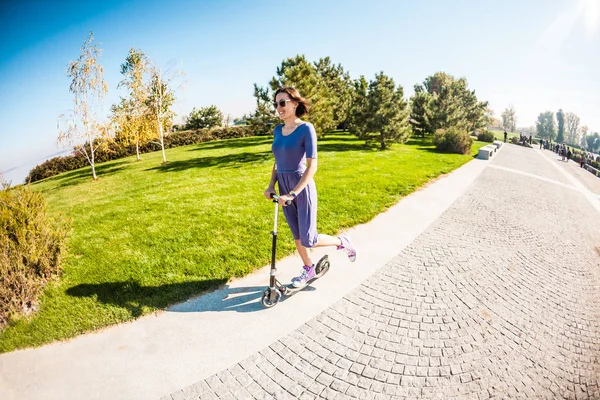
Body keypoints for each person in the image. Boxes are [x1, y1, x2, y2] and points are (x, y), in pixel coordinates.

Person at [264, 87, 357, 288]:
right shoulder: (277, 130)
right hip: (283, 187)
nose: (278, 107)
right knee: (297, 235)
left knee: (309, 238)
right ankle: (308, 268)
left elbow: (312, 165)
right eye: (276, 103)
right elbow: (277, 162)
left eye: (282, 103)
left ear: (294, 104)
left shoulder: (306, 129)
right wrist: (271, 185)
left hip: (301, 186)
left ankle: (342, 241)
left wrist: (293, 192)